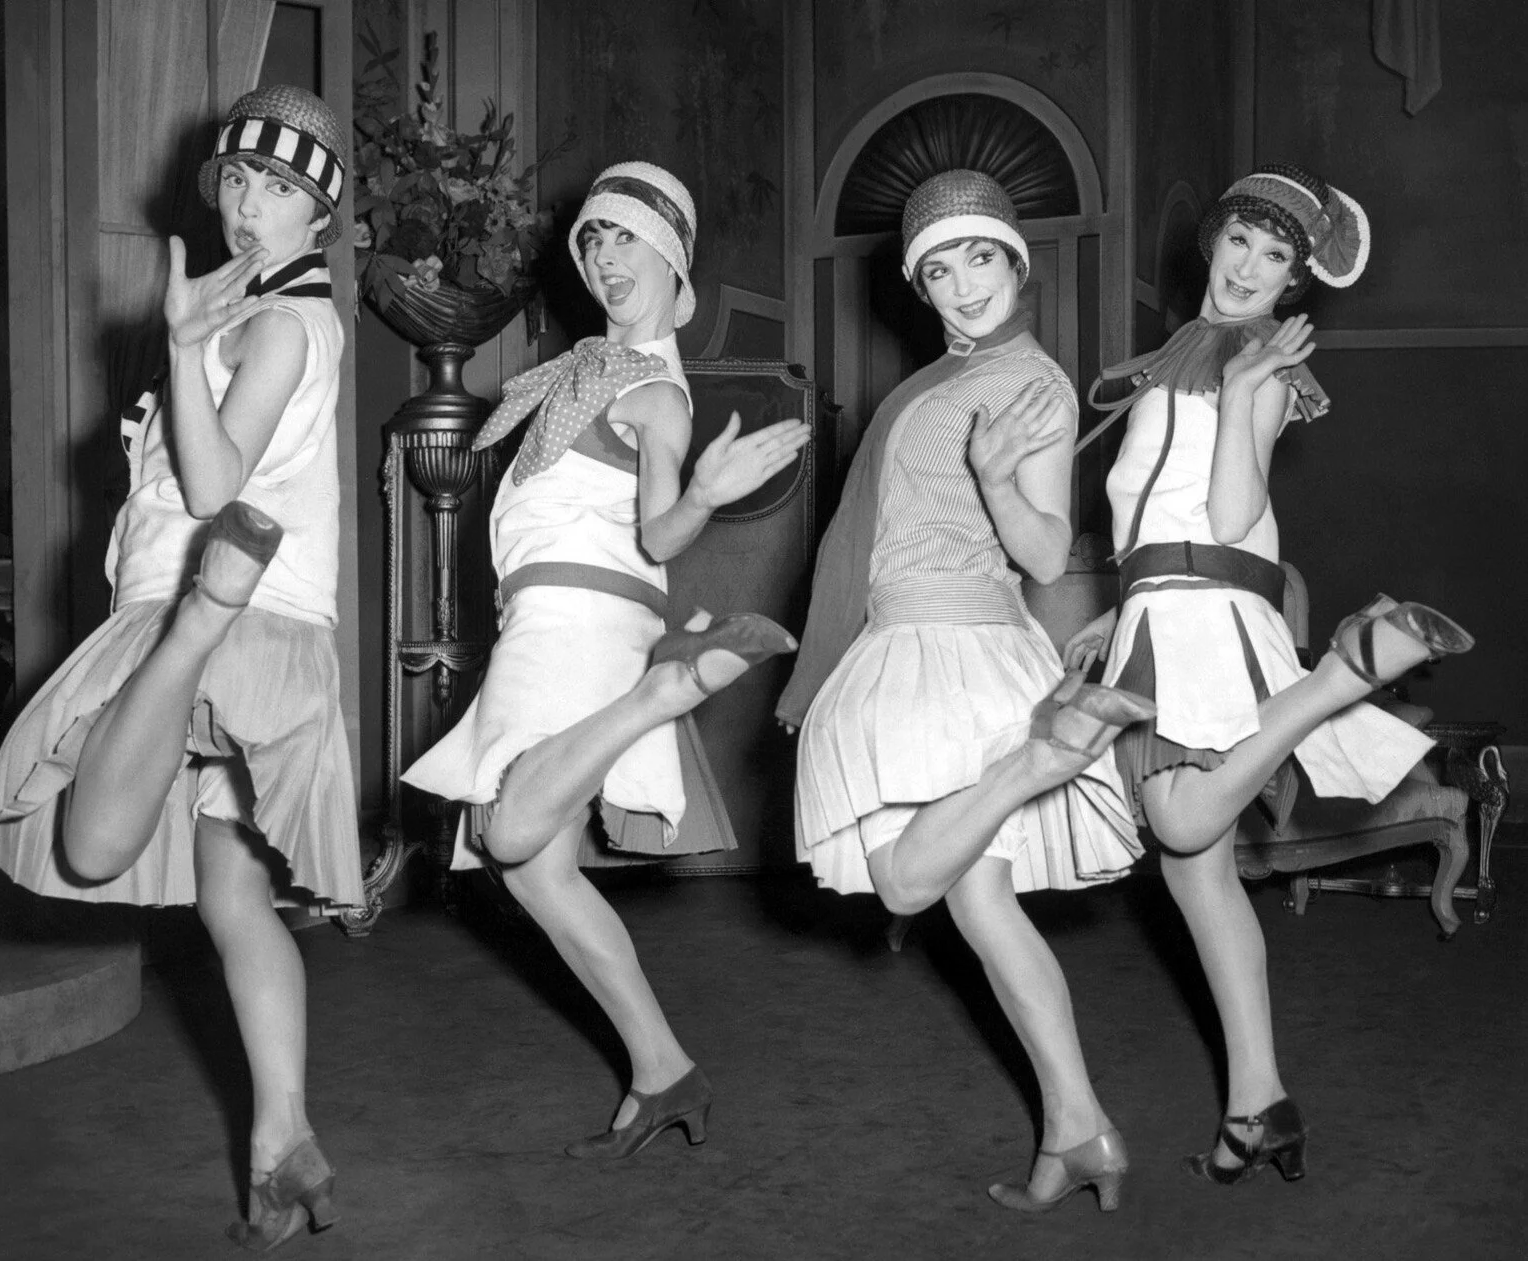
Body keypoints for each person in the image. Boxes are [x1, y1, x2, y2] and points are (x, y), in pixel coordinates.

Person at [0, 86, 361, 1248]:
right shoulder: (250, 311)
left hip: (215, 616)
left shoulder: (285, 323)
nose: (249, 204)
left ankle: (204, 620)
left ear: (320, 217)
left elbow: (210, 484)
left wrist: (188, 350)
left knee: (93, 844)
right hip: (233, 615)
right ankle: (284, 1136)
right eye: (237, 178)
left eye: (279, 189)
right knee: (235, 899)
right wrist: (191, 347)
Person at [1064, 163, 1474, 1184]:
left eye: (1276, 255)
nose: (1249, 266)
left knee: (1179, 823)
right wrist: (1116, 610)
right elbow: (1161, 514)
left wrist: (1252, 391)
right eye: (1240, 240)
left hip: (1206, 617)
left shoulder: (1258, 362)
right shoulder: (1181, 355)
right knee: (1196, 875)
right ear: (1212, 242)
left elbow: (1233, 514)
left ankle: (1338, 677)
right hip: (1165, 606)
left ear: (1296, 281)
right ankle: (1260, 1105)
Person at [402, 161, 810, 1159]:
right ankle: (664, 1069)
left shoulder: (655, 391)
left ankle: (663, 692)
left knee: (507, 831)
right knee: (540, 876)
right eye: (593, 239)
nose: (605, 255)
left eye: (627, 236)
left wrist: (703, 494)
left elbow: (661, 534)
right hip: (544, 619)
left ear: (674, 258)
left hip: (581, 624)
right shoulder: (587, 370)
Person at [776, 169, 1157, 1215]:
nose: (962, 284)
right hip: (911, 637)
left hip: (952, 645)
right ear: (921, 287)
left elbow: (1043, 553)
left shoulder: (1029, 382)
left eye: (979, 256)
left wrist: (994, 478)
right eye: (938, 269)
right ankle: (1080, 1128)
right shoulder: (941, 380)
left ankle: (1040, 756)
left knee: (905, 884)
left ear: (1016, 263)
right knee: (981, 906)